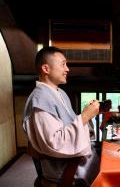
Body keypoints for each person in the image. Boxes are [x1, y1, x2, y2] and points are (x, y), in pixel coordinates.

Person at [23, 46, 100, 186]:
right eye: (63, 64)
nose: (67, 69)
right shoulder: (40, 99)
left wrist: (87, 115)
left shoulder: (60, 93)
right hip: (63, 170)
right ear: (46, 69)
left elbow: (69, 124)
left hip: (72, 160)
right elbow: (55, 143)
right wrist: (84, 117)